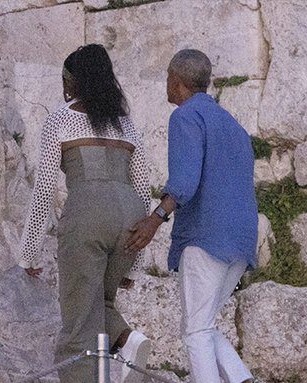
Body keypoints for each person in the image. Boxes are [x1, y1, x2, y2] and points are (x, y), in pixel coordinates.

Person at [19, 44, 151, 383]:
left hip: (87, 216)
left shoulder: (61, 119)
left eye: (64, 80)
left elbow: (44, 190)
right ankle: (129, 340)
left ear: (72, 81)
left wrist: (30, 251)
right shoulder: (125, 124)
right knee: (99, 305)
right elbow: (143, 187)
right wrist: (133, 260)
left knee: (78, 322)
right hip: (131, 219)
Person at [126, 49, 257, 383]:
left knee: (196, 331)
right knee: (204, 324)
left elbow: (184, 182)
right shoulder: (233, 125)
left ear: (177, 80)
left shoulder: (185, 116)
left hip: (206, 237)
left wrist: (155, 218)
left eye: (168, 78)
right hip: (241, 240)